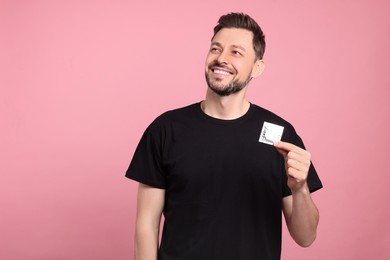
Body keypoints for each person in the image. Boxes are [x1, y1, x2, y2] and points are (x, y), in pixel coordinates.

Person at [126, 12, 323, 260]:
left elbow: (306, 238)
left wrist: (301, 189)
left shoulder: (281, 136)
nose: (221, 59)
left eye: (236, 52)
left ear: (257, 67)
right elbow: (146, 226)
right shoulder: (166, 130)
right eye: (215, 49)